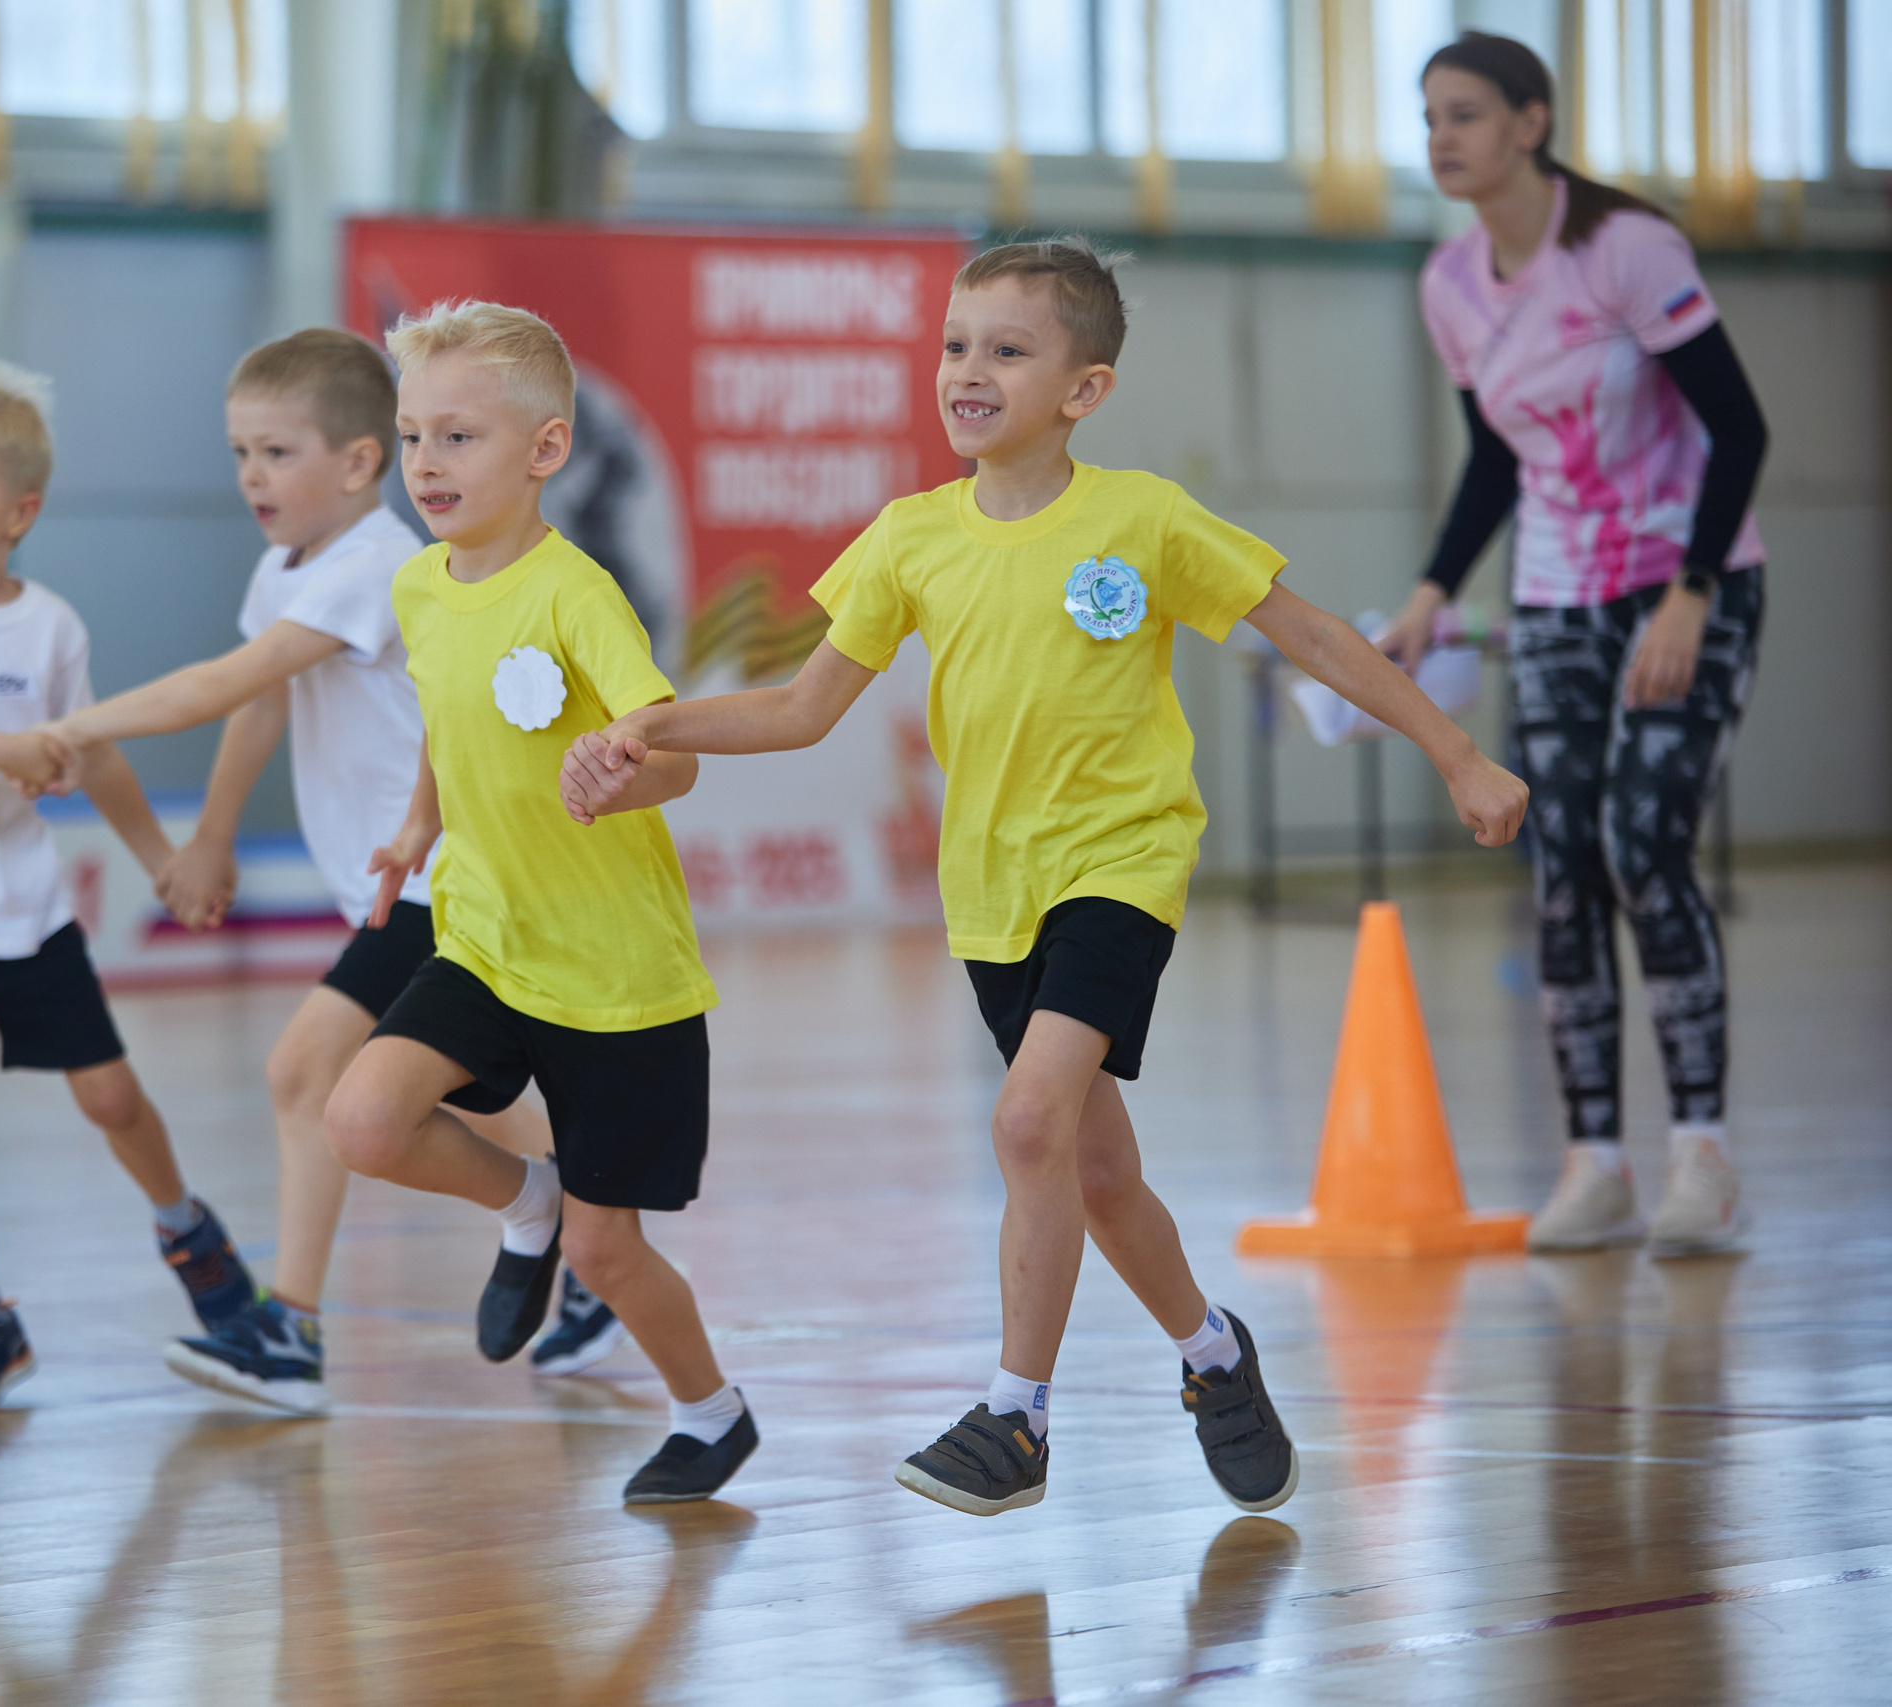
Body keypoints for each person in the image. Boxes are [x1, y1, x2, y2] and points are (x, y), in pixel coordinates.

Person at [560, 240, 1528, 1519]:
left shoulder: (1145, 519)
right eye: (956, 344)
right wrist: (652, 728)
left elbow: (1311, 637)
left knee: (1025, 1125)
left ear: (1084, 389)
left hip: (1122, 866)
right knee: (1097, 1174)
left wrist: (1457, 751)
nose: (969, 370)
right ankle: (1212, 1355)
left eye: (1008, 350)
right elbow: (801, 710)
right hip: (992, 895)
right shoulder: (908, 541)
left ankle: (1014, 1419)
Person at [32, 328, 625, 1413]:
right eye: (240, 455)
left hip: (455, 876)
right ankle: (595, 1254)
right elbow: (265, 700)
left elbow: (227, 680)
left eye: (277, 453)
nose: (252, 477)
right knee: (478, 1105)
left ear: (358, 465)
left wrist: (70, 728)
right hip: (405, 884)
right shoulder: (290, 568)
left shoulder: (375, 566)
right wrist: (209, 834)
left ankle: (292, 1329)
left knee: (307, 1071)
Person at [317, 300, 757, 1506]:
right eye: (412, 437)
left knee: (613, 1253)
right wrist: (420, 820)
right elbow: (447, 725)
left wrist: (622, 774)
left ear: (544, 452)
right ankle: (527, 1199)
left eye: (457, 438)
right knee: (363, 1120)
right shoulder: (419, 587)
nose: (425, 465)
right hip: (486, 938)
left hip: (618, 978)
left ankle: (709, 1413)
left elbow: (673, 754)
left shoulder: (577, 596)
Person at [1381, 33, 1769, 1257]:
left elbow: (1739, 429)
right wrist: (1432, 590)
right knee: (1557, 863)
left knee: (1643, 844)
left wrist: (1691, 592)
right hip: (1553, 598)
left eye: (1467, 114)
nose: (1441, 136)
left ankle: (1699, 1154)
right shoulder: (1448, 285)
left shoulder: (1625, 251)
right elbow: (1497, 460)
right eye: (1428, 115)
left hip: (1683, 586)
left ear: (1531, 124)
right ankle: (1593, 1159)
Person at [0, 362, 259, 1412]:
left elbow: (94, 753)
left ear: (20, 512)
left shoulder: (52, 627)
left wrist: (160, 854)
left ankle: (185, 1228)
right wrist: (3, 748)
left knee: (109, 1096)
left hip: (19, 909)